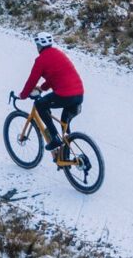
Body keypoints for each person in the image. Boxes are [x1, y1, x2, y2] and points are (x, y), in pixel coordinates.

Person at [18, 32, 84, 161]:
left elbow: (31, 80)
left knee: (40, 105)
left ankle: (54, 138)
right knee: (65, 125)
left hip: (65, 95)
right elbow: (56, 76)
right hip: (79, 94)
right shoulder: (58, 53)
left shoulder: (41, 60)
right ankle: (66, 156)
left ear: (39, 45)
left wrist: (23, 95)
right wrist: (42, 88)